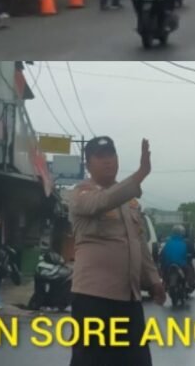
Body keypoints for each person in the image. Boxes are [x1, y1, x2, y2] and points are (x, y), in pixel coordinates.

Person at [68, 137, 165, 366]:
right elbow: (100, 202)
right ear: (88, 163)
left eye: (111, 156)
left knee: (137, 361)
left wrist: (153, 279)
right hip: (93, 299)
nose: (108, 161)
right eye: (100, 157)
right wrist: (140, 174)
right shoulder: (81, 194)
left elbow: (138, 242)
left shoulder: (128, 202)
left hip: (129, 299)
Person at [160, 225, 191, 295]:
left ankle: (164, 283)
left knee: (163, 271)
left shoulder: (168, 243)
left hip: (168, 264)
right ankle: (186, 283)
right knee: (188, 269)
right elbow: (186, 255)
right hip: (181, 264)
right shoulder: (184, 243)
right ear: (182, 233)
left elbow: (162, 254)